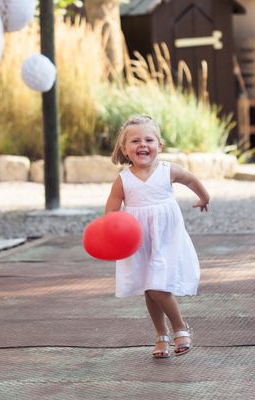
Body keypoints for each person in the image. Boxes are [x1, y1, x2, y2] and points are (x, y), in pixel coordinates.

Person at [105, 115, 210, 358]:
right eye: (135, 141)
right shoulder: (123, 179)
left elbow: (191, 180)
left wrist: (204, 197)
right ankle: (161, 334)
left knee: (157, 285)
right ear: (125, 149)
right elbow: (111, 208)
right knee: (148, 287)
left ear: (159, 146)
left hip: (165, 237)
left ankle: (179, 327)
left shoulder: (167, 171)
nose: (142, 144)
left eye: (148, 139)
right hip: (138, 240)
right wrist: (111, 229)